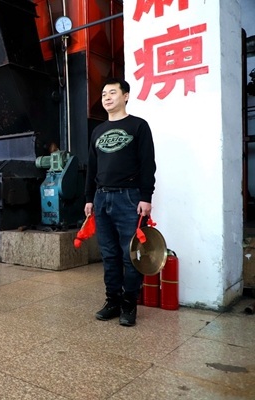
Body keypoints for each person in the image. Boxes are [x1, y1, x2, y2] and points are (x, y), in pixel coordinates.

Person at [84, 77, 156, 327]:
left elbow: (148, 163)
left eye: (112, 92)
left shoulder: (138, 126)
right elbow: (92, 167)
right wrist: (89, 198)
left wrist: (146, 197)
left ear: (126, 96)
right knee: (109, 254)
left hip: (129, 197)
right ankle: (112, 301)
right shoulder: (97, 131)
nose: (107, 97)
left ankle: (129, 304)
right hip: (101, 197)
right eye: (104, 93)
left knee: (130, 254)